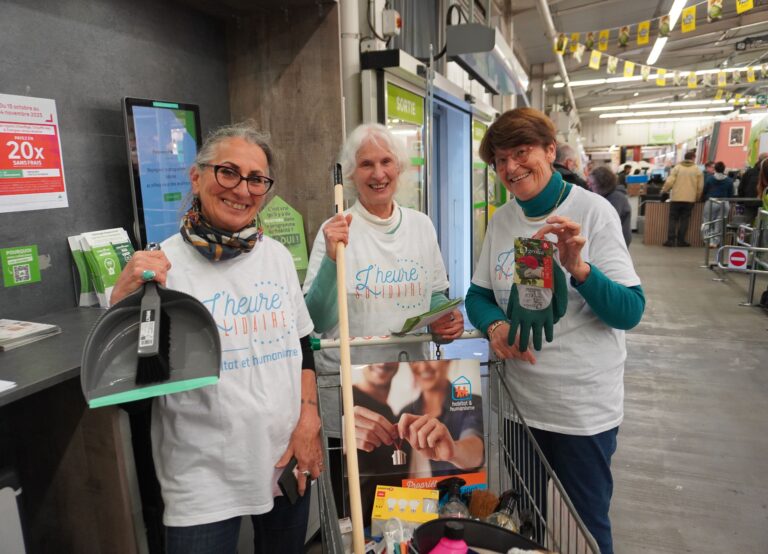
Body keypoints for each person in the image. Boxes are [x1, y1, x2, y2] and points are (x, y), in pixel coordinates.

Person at [110, 122, 322, 554]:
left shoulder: (277, 258)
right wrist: (121, 308)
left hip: (286, 458)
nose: (242, 190)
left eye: (257, 179)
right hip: (201, 479)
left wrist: (309, 422)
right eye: (228, 172)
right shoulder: (161, 268)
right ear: (196, 176)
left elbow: (302, 349)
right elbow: (128, 391)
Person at [465, 107, 644, 554]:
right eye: (500, 160)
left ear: (550, 151)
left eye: (521, 153)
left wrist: (580, 268)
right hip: (521, 409)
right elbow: (478, 296)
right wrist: (495, 325)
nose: (510, 168)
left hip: (581, 412)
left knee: (583, 530)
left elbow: (629, 311)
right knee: (526, 522)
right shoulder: (504, 220)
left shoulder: (593, 213)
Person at [303, 122, 464, 369]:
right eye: (366, 164)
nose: (378, 174)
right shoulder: (336, 230)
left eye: (386, 162)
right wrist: (332, 259)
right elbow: (317, 320)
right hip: (349, 380)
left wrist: (444, 318)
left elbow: (432, 296)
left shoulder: (421, 225)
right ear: (350, 174)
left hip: (410, 373)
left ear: (399, 168)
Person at [397, 360, 484, 478]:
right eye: (415, 360)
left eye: (431, 358)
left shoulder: (472, 403)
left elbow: (476, 449)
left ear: (447, 359)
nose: (423, 367)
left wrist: (454, 451)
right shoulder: (404, 413)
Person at [662, 151, 703, 247]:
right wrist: (696, 197)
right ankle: (681, 241)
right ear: (693, 158)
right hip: (689, 200)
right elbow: (700, 187)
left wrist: (664, 190)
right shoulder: (697, 170)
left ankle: (670, 240)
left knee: (673, 219)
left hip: (676, 198)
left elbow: (669, 182)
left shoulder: (677, 168)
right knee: (685, 220)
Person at [589, 166, 632, 246]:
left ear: (602, 184)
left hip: (617, 243)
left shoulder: (616, 198)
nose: (590, 187)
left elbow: (606, 222)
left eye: (593, 184)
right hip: (615, 240)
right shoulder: (610, 194)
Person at [702, 161, 734, 248]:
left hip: (712, 201)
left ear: (715, 169)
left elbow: (704, 191)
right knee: (720, 223)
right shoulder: (729, 181)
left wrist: (704, 198)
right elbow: (731, 194)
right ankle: (716, 242)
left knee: (708, 221)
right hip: (724, 202)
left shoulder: (709, 179)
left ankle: (709, 241)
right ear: (724, 169)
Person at [738, 153, 767, 223]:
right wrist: (742, 201)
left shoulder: (749, 172)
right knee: (749, 225)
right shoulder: (750, 172)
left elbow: (741, 187)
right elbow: (741, 187)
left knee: (751, 225)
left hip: (755, 204)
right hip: (752, 204)